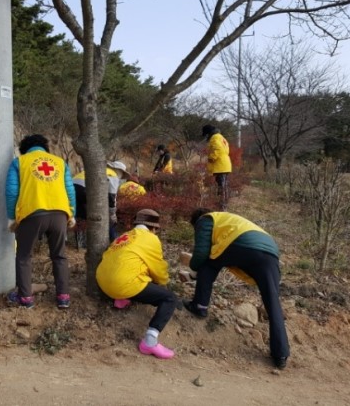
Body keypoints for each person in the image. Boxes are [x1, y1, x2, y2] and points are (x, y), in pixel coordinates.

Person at [183, 208, 290, 369]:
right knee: (272, 301)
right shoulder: (229, 220)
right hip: (271, 251)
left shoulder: (205, 220)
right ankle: (280, 354)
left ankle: (199, 306)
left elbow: (201, 253)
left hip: (243, 242)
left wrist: (193, 271)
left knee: (208, 262)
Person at [5, 134, 77, 309]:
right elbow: (69, 189)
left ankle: (26, 298)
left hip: (32, 214)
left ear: (24, 149)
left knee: (24, 257)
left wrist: (12, 217)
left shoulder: (19, 162)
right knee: (59, 255)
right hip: (60, 213)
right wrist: (72, 213)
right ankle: (63, 297)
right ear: (45, 147)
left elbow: (12, 191)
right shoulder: (59, 162)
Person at [96, 209, 177, 360]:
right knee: (169, 299)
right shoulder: (151, 239)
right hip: (121, 284)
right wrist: (164, 283)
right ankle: (150, 341)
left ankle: (121, 299)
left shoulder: (124, 236)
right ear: (153, 228)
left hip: (102, 281)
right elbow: (159, 270)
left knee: (134, 268)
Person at [73, 160, 130, 241]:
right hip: (85, 190)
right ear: (119, 171)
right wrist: (112, 214)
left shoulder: (99, 170)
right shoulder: (113, 175)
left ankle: (80, 241)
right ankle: (113, 239)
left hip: (72, 188)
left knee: (81, 215)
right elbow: (111, 196)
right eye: (122, 174)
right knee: (104, 216)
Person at [202, 124, 232, 210]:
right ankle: (223, 205)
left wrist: (211, 158)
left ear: (208, 133)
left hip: (220, 166)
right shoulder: (221, 137)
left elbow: (218, 149)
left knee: (221, 187)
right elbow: (226, 150)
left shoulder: (214, 138)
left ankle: (222, 207)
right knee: (224, 186)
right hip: (225, 165)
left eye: (206, 134)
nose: (206, 137)